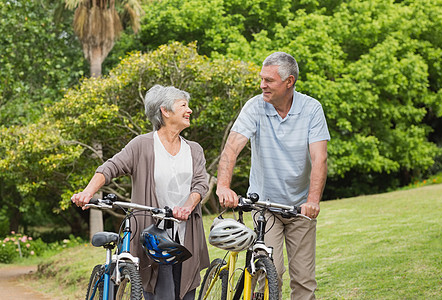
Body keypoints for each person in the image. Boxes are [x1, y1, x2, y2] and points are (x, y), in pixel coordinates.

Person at [71, 84, 210, 300]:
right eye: (183, 105)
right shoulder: (142, 145)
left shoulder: (194, 149)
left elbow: (201, 183)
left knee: (185, 293)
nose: (189, 110)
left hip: (185, 233)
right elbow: (110, 167)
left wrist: (187, 207)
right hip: (153, 234)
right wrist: (87, 192)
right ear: (165, 111)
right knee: (160, 293)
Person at [216, 52, 330, 299]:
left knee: (304, 280)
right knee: (271, 271)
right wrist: (223, 186)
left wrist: (312, 200)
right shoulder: (255, 106)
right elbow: (232, 147)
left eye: (269, 80)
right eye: (261, 79)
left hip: (300, 208)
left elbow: (319, 158)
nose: (262, 85)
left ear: (289, 82)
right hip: (265, 206)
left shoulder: (311, 109)